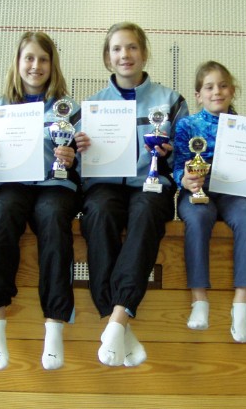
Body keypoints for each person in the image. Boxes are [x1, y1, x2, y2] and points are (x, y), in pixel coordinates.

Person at [80, 22, 189, 367]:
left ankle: (116, 318)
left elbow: (187, 159)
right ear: (107, 58)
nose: (124, 55)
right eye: (116, 49)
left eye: (131, 47)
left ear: (144, 52)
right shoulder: (93, 105)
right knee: (98, 214)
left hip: (151, 184)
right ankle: (120, 324)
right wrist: (81, 148)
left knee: (145, 214)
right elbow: (80, 164)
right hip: (106, 184)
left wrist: (171, 152)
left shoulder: (171, 100)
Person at [0, 32, 89, 371]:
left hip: (55, 187)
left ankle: (54, 325)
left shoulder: (70, 108)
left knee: (55, 221)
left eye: (43, 59)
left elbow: (90, 167)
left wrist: (74, 157)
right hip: (13, 185)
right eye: (29, 58)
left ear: (52, 65)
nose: (35, 65)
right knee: (0, 220)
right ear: (18, 62)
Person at [173, 61, 246, 343]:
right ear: (198, 94)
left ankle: (241, 304)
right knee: (197, 218)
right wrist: (184, 180)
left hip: (234, 193)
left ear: (232, 90)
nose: (216, 91)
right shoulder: (187, 125)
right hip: (198, 190)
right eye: (209, 87)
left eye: (223, 85)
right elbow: (177, 164)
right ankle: (199, 301)